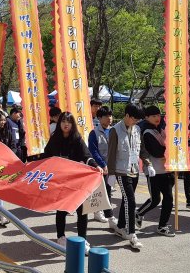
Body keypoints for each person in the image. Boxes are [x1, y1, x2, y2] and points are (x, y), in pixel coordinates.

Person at [135, 106, 190, 237]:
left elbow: (177, 144)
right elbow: (157, 152)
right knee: (155, 200)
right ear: (146, 117)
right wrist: (173, 150)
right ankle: (138, 213)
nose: (157, 118)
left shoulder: (162, 130)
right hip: (154, 170)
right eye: (153, 116)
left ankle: (162, 226)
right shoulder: (146, 133)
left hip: (167, 169)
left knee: (168, 199)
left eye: (158, 115)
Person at [40, 111, 101, 255]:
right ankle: (61, 238)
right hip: (60, 182)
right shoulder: (55, 139)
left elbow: (87, 156)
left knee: (82, 211)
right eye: (63, 121)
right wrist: (31, 163)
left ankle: (82, 240)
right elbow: (46, 156)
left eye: (69, 121)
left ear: (72, 124)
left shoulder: (77, 138)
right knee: (61, 210)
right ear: (59, 123)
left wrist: (95, 165)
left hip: (76, 182)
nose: (66, 124)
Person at [107, 104, 144, 249]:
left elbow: (140, 149)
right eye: (134, 119)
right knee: (131, 201)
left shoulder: (137, 129)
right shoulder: (115, 130)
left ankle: (121, 226)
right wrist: (111, 173)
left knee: (126, 200)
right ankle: (131, 233)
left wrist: (147, 163)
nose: (136, 122)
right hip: (121, 170)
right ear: (127, 116)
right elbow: (111, 154)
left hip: (134, 169)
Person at [87, 106, 117, 227]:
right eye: (106, 116)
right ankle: (110, 217)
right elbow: (93, 151)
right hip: (100, 168)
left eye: (110, 115)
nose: (109, 118)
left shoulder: (113, 131)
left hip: (112, 167)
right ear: (99, 118)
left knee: (105, 191)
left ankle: (98, 212)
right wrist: (103, 164)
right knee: (104, 192)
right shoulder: (94, 133)